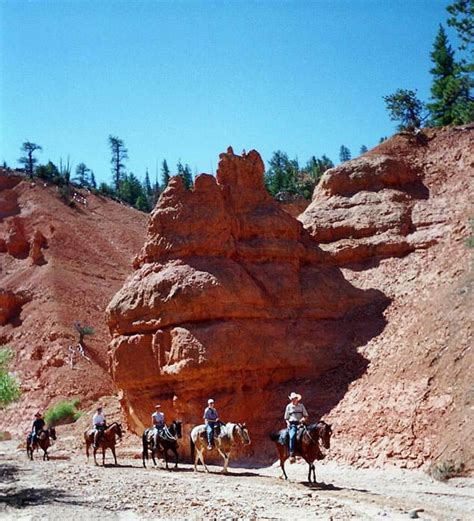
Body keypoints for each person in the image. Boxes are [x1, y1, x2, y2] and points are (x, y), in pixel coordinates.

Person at [284, 392, 308, 463]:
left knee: (309, 435)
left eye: (295, 398)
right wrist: (288, 423)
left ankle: (317, 452)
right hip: (293, 425)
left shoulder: (301, 406)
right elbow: (286, 418)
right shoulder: (288, 407)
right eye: (292, 399)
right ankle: (292, 454)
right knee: (292, 436)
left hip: (301, 424)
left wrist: (303, 419)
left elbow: (306, 415)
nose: (293, 400)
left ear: (297, 399)